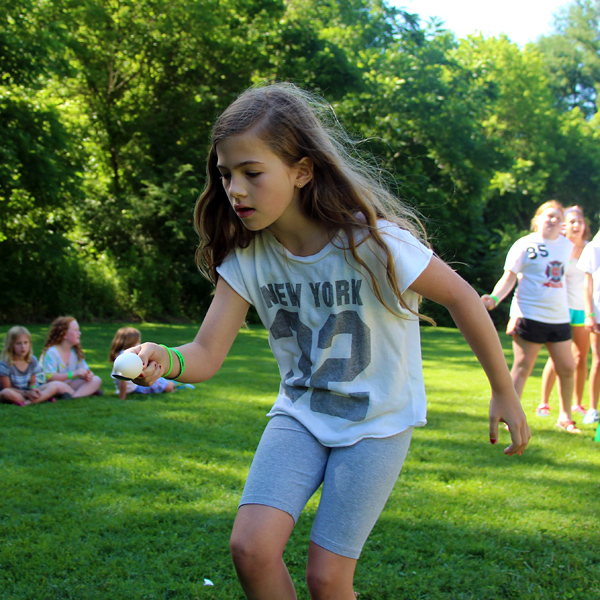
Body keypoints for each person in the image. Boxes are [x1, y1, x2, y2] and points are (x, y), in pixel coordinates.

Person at [130, 83, 529, 600]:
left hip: (376, 424)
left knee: (327, 578)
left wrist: (503, 389)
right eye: (226, 175)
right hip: (299, 416)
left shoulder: (372, 241)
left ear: (301, 170)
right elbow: (205, 355)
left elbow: (462, 298)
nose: (235, 190)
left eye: (253, 173)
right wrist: (167, 359)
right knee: (251, 549)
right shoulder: (247, 258)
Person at [482, 201, 578, 433]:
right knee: (523, 367)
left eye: (558, 216)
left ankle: (565, 417)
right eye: (549, 215)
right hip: (529, 314)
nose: (553, 219)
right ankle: (509, 415)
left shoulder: (568, 246)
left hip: (559, 317)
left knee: (567, 367)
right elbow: (509, 277)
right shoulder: (525, 244)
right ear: (537, 220)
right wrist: (494, 299)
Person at [539, 206, 590, 417]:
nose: (576, 226)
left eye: (580, 221)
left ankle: (577, 403)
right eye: (571, 222)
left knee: (580, 357)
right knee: (557, 357)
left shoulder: (591, 249)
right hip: (562, 309)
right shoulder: (561, 248)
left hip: (584, 310)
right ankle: (544, 402)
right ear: (564, 226)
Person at [0, 326, 73, 405]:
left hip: (29, 391)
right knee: (6, 393)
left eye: (25, 343)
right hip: (16, 392)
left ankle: (27, 402)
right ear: (10, 345)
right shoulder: (5, 363)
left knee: (53, 386)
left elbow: (32, 382)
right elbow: (7, 387)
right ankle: (41, 399)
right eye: (18, 343)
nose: (23, 347)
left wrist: (33, 389)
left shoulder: (32, 360)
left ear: (30, 344)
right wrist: (26, 393)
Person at [109, 327, 187, 399]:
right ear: (130, 343)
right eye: (138, 341)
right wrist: (122, 397)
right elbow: (123, 380)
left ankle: (174, 382)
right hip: (136, 387)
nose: (139, 344)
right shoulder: (128, 357)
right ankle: (177, 384)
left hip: (133, 387)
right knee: (169, 386)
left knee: (161, 381)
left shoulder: (120, 355)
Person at [40, 317, 103, 398]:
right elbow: (50, 378)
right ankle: (82, 392)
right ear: (64, 334)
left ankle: (74, 396)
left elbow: (84, 370)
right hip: (52, 385)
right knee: (57, 385)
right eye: (76, 330)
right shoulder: (52, 352)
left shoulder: (75, 352)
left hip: (70, 384)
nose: (79, 333)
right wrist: (72, 374)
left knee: (96, 380)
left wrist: (87, 375)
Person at [577, 230, 600, 425]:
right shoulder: (594, 246)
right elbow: (587, 284)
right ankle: (593, 409)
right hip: (598, 313)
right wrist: (589, 314)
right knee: (598, 362)